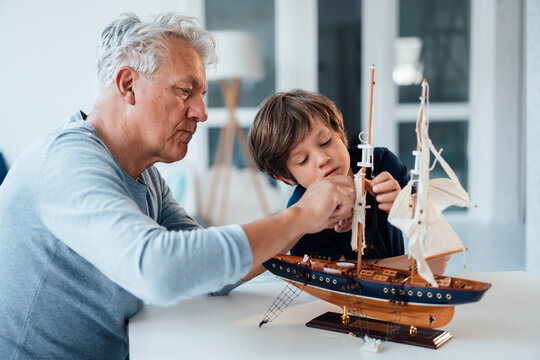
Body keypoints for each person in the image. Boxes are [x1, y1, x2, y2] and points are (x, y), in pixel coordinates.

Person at [0, 13, 354, 359]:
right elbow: (158, 269)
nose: (201, 112)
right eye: (186, 92)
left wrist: (308, 219)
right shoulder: (67, 162)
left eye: (200, 95)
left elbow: (212, 273)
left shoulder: (146, 177)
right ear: (128, 85)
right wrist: (300, 215)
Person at [246, 89, 408, 273]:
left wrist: (403, 203)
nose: (322, 159)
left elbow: (426, 215)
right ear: (285, 177)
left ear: (340, 134)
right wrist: (411, 264)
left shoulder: (381, 163)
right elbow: (339, 274)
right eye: (303, 160)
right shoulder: (303, 218)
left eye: (325, 142)